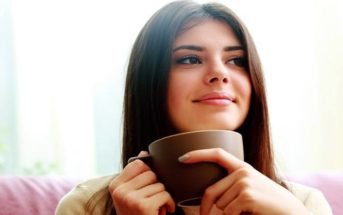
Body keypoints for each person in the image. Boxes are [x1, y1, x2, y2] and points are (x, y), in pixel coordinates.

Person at [55, 0, 332, 214]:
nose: (220, 73)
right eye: (190, 59)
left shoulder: (303, 204)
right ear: (150, 81)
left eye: (236, 60)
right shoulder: (85, 206)